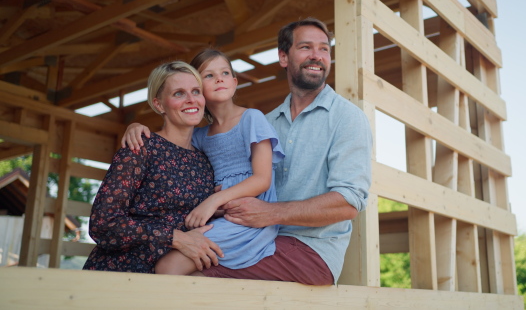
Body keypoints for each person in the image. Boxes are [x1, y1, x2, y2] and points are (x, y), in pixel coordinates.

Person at [123, 17, 372, 285]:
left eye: (324, 48)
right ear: (283, 57)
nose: (317, 55)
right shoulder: (268, 121)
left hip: (311, 248)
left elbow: (349, 202)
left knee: (186, 276)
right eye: (305, 47)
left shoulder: (347, 117)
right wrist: (138, 127)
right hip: (254, 232)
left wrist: (270, 212)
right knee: (165, 261)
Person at [83, 61, 223, 273]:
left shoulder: (205, 162)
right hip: (121, 274)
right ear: (158, 104)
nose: (191, 99)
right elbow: (103, 224)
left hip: (171, 280)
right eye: (179, 93)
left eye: (196, 91)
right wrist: (174, 238)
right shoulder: (140, 147)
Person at [154, 49, 284, 274]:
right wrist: (135, 127)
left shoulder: (252, 118)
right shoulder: (199, 136)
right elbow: (167, 140)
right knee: (160, 251)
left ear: (234, 82)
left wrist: (213, 200)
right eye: (209, 76)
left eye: (224, 73)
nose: (219, 79)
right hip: (219, 214)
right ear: (197, 89)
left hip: (248, 218)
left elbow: (262, 179)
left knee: (168, 266)